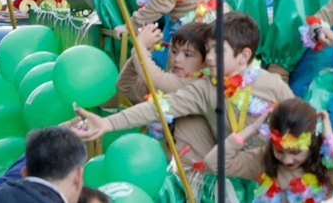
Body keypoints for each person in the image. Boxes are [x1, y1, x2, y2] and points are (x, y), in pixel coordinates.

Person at [68, 12, 293, 158]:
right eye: (209, 50)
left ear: (244, 56)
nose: (211, 57)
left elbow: (301, 121)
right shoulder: (204, 89)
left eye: (217, 51)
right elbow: (156, 107)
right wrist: (108, 123)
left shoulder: (271, 84)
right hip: (221, 173)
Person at [217, 99, 333, 201]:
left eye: (295, 152)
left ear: (311, 143)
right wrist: (253, 129)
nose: (287, 160)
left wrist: (331, 142)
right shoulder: (263, 159)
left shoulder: (325, 163)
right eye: (279, 151)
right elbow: (214, 163)